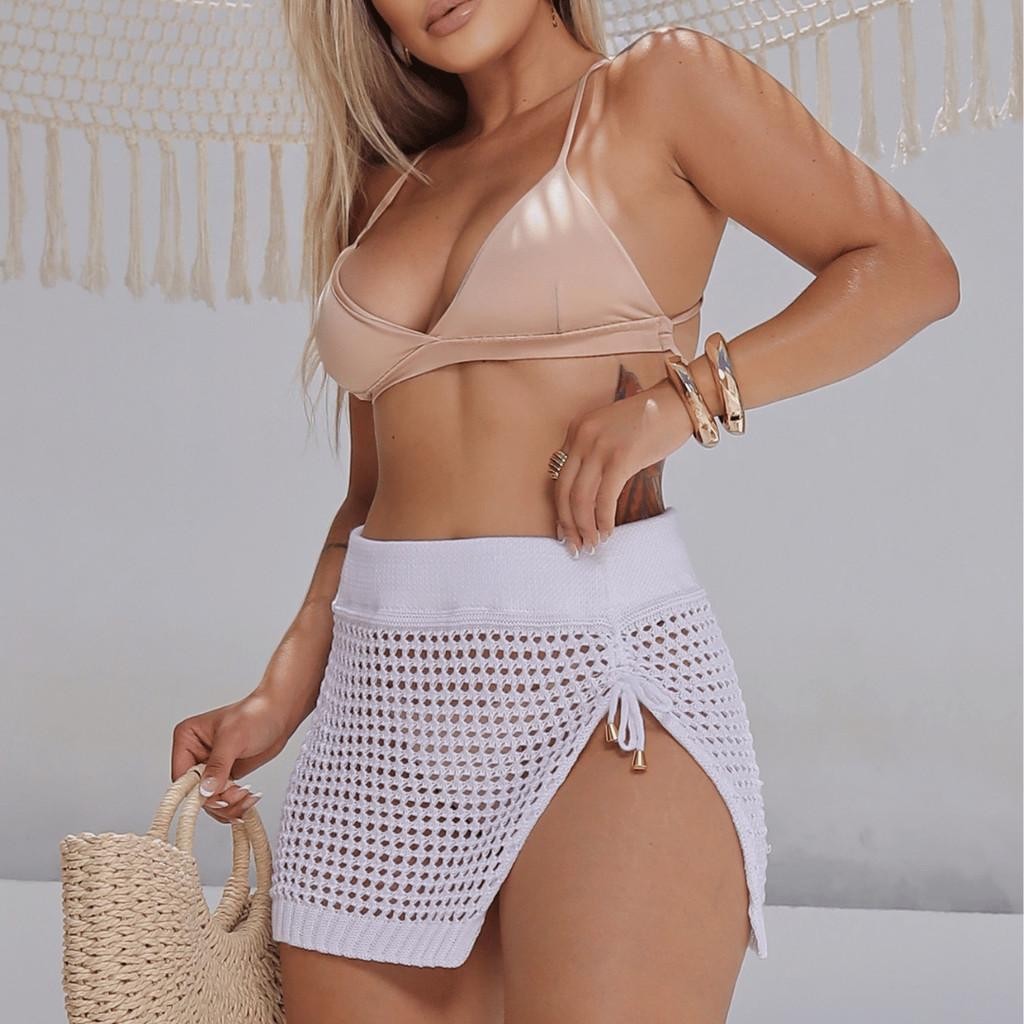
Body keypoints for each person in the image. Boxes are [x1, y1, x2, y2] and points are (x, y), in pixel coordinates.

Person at [170, 1, 960, 1021]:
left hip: (600, 680)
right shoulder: (382, 184)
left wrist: (681, 404)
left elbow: (908, 268)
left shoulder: (660, 89)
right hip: (379, 727)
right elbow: (366, 499)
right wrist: (278, 695)